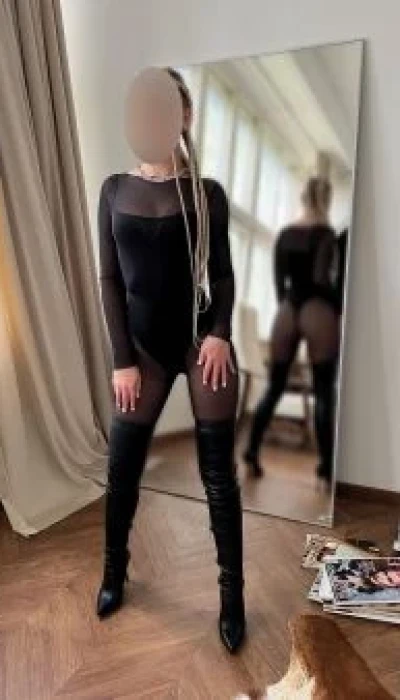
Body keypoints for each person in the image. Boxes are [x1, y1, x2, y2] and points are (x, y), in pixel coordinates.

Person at [95, 67, 246, 654]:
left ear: (184, 117)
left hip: (198, 338)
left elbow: (222, 275)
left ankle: (232, 597)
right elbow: (110, 279)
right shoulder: (113, 190)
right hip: (141, 352)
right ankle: (113, 572)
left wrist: (221, 334)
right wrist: (122, 360)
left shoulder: (207, 194)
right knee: (122, 473)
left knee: (218, 478)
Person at [243, 176, 340, 485]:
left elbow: (278, 283)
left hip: (287, 309)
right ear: (326, 200)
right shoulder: (326, 234)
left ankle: (251, 450)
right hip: (317, 308)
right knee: (324, 392)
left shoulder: (284, 234)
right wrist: (336, 309)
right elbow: (322, 279)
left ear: (303, 198)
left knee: (274, 387)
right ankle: (326, 468)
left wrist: (288, 307)